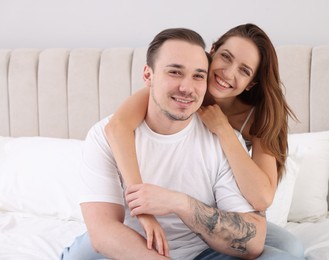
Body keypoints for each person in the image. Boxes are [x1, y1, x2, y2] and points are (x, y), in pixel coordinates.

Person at [61, 28, 267, 260]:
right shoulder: (107, 133)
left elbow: (255, 238)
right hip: (129, 250)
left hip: (201, 252)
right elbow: (103, 231)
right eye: (175, 72)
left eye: (198, 75)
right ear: (148, 76)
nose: (187, 88)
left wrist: (179, 203)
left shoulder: (226, 137)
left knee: (286, 254)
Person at [104, 23, 305, 259]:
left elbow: (262, 197)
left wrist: (223, 130)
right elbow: (117, 127)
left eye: (244, 70)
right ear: (212, 52)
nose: (228, 73)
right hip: (189, 209)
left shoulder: (258, 115)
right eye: (225, 57)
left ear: (251, 83)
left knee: (293, 249)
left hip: (227, 212)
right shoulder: (181, 92)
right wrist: (143, 207)